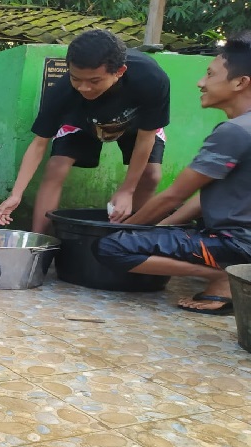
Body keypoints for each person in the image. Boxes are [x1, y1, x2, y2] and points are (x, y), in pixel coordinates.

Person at [95, 32, 251, 315]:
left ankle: (223, 278)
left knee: (111, 247)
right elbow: (208, 198)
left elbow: (173, 196)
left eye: (209, 74)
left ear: (240, 82)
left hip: (237, 244)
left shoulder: (234, 132)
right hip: (240, 238)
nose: (201, 82)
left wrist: (124, 231)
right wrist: (162, 227)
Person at [0, 29, 171, 234]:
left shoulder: (152, 79)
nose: (84, 88)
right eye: (76, 78)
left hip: (134, 121)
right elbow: (39, 143)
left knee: (151, 175)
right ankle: (41, 244)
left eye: (94, 81)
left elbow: (146, 137)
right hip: (83, 118)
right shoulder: (63, 91)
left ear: (119, 72)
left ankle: (131, 237)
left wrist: (127, 190)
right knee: (56, 167)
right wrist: (16, 194)